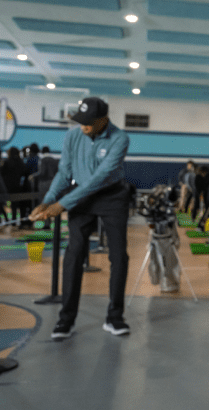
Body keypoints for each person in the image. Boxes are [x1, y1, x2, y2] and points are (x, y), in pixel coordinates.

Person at [30, 97, 132, 341]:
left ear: (103, 121)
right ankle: (66, 320)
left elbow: (99, 179)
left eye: (89, 123)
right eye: (81, 121)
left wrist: (62, 204)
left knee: (119, 255)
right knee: (74, 253)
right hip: (81, 198)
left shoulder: (120, 139)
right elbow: (64, 173)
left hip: (112, 196)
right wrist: (48, 200)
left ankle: (115, 317)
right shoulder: (73, 137)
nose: (84, 126)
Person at [0, 147, 29, 228]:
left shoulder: (7, 162)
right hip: (17, 186)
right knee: (15, 205)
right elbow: (25, 172)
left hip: (7, 187)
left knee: (1, 204)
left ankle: (7, 220)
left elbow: (1, 173)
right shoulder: (20, 162)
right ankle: (14, 221)